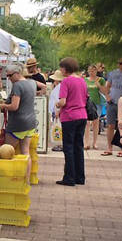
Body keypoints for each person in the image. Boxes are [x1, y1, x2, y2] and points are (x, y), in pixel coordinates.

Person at [0, 64, 37, 182]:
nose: (9, 78)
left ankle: (8, 179)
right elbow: (43, 86)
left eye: (10, 75)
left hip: (18, 124)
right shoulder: (31, 83)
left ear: (17, 73)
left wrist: (3, 105)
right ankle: (26, 180)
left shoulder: (17, 85)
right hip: (30, 122)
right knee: (26, 152)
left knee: (6, 152)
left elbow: (14, 106)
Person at [55, 57, 88, 186]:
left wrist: (58, 105)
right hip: (82, 115)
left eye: (61, 68)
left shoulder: (66, 82)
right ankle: (80, 177)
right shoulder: (82, 81)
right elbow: (85, 98)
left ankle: (69, 177)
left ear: (65, 68)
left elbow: (63, 101)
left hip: (69, 116)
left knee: (68, 147)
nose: (60, 70)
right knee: (78, 147)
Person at [102, 58, 122, 156]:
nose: (120, 65)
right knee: (110, 125)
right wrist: (107, 96)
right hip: (112, 102)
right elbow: (107, 86)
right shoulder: (113, 73)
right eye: (118, 63)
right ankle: (109, 148)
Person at [84, 64, 106, 150]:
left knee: (96, 122)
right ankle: (86, 142)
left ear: (96, 71)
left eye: (93, 70)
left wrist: (99, 86)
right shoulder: (85, 80)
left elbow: (104, 91)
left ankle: (95, 142)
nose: (91, 72)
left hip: (97, 103)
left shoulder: (101, 80)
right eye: (90, 71)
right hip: (87, 103)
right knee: (86, 123)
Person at [48, 69, 64, 152]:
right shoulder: (59, 87)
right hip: (58, 110)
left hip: (58, 110)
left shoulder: (59, 88)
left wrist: (57, 111)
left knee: (59, 128)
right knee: (59, 128)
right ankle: (60, 144)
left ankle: (60, 144)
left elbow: (58, 100)